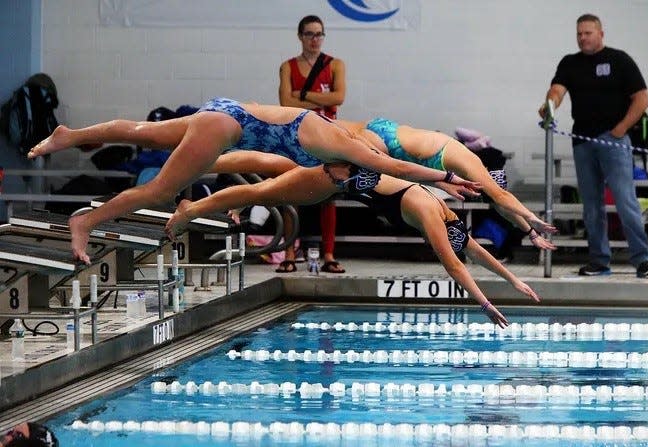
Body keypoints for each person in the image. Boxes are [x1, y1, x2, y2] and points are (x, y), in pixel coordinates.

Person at [27, 98, 457, 264]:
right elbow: (397, 169)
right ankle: (86, 221)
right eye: (346, 180)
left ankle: (71, 135)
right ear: (351, 167)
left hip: (225, 114)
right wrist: (446, 177)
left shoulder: (337, 143)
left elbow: (258, 158)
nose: (336, 181)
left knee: (143, 131)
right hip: (224, 128)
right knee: (160, 188)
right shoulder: (346, 150)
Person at [167, 151, 543, 327]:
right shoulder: (432, 216)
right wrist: (484, 304)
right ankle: (192, 200)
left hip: (349, 179)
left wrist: (514, 280)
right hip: (339, 178)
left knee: (272, 176)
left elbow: (473, 250)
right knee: (267, 186)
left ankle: (203, 175)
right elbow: (454, 264)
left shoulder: (446, 212)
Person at [539, 13, 648, 278]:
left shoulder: (619, 60)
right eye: (579, 33)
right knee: (591, 206)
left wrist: (621, 129)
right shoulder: (570, 63)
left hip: (613, 141)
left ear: (601, 34)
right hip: (583, 142)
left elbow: (641, 98)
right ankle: (599, 261)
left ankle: (642, 259)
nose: (583, 37)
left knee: (625, 201)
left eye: (588, 33)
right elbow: (557, 91)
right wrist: (549, 105)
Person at [332, 118, 558, 246]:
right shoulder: (470, 163)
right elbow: (502, 197)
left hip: (390, 138)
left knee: (329, 134)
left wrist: (530, 233)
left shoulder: (460, 171)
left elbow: (499, 202)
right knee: (331, 151)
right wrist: (533, 218)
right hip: (387, 141)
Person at [278, 15, 347, 273]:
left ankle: (328, 254)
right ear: (300, 36)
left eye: (319, 34)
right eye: (310, 34)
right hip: (297, 137)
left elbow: (338, 97)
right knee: (288, 193)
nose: (315, 39)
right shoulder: (288, 67)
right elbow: (286, 103)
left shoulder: (335, 65)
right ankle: (288, 251)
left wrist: (302, 96)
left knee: (329, 196)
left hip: (328, 138)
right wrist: (321, 101)